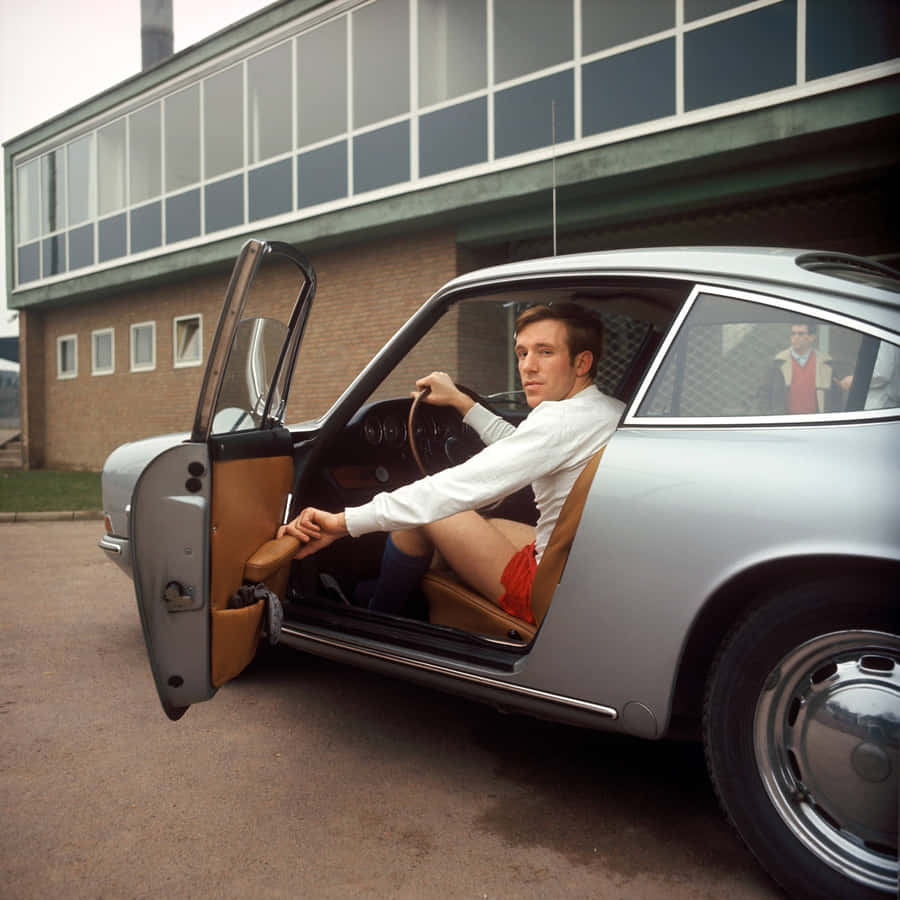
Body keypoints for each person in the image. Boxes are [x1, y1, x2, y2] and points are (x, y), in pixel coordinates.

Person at [278, 303, 624, 624]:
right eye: (522, 352)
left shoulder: (558, 421)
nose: (527, 366)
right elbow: (523, 446)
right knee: (480, 521)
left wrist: (342, 522)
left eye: (545, 352)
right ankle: (404, 595)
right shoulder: (607, 410)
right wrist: (460, 402)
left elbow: (449, 490)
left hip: (547, 587)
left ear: (582, 363)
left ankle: (378, 614)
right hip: (583, 569)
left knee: (431, 511)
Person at [758, 321, 835, 414]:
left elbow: (835, 397)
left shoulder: (825, 363)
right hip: (786, 424)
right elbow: (764, 393)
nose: (795, 337)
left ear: (812, 337)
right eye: (793, 334)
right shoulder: (777, 362)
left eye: (800, 334)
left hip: (816, 423)